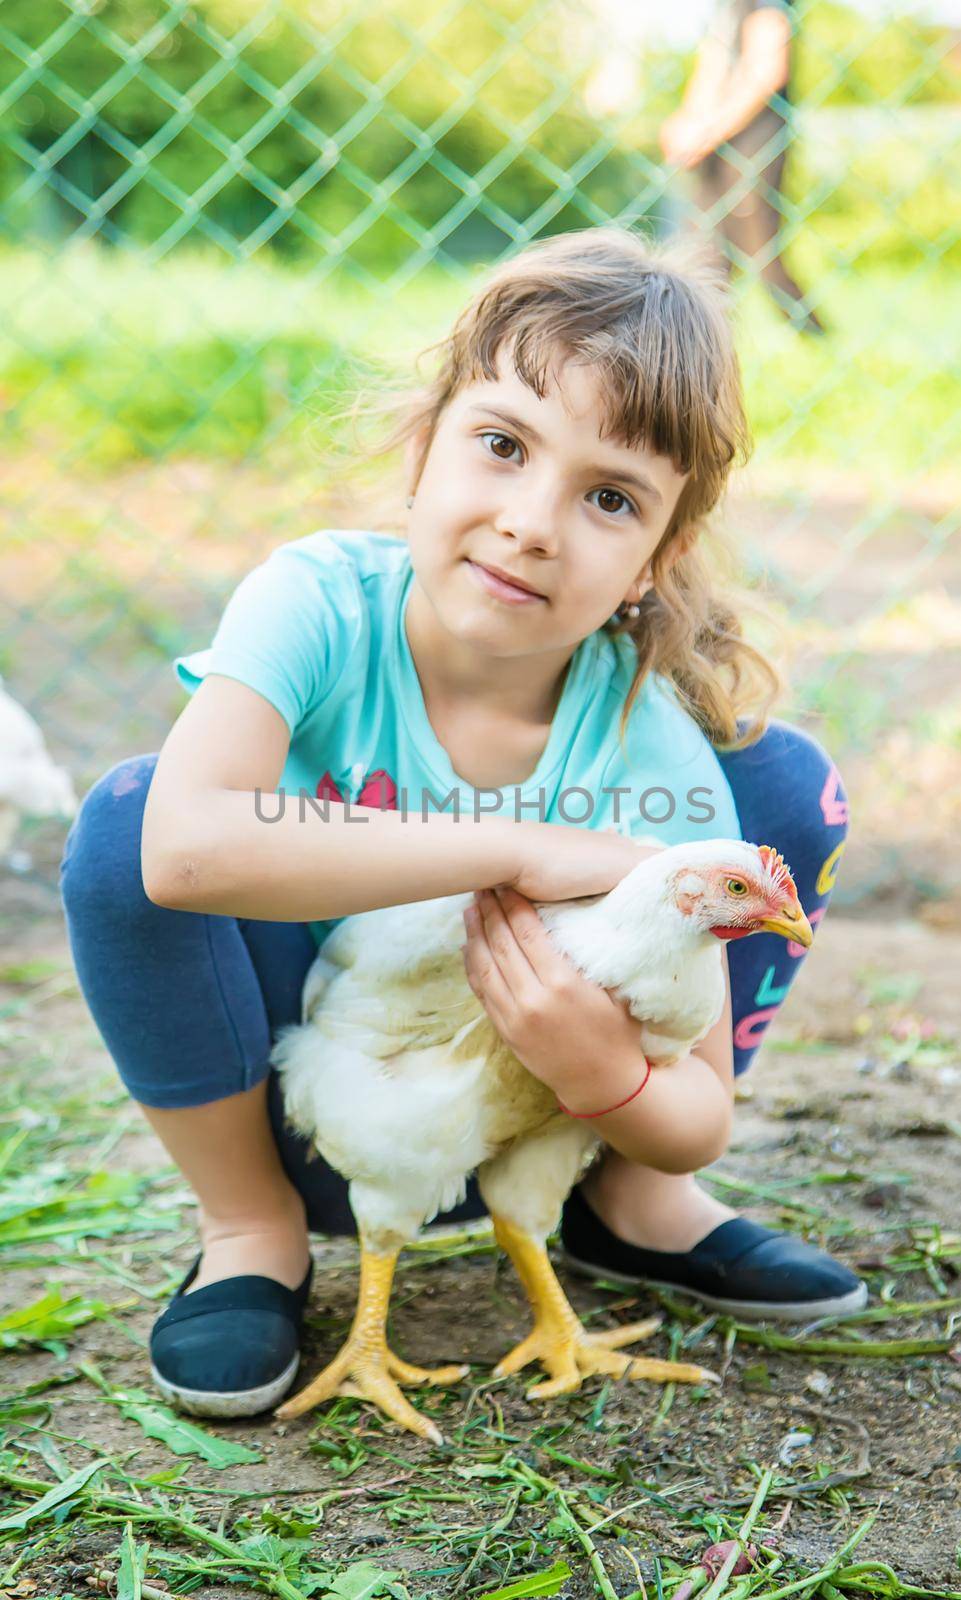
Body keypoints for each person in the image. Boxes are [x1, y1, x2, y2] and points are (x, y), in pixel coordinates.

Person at [59, 226, 861, 1420]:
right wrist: (517, 847)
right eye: (501, 445)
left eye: (607, 497)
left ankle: (625, 1208)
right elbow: (183, 846)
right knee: (129, 820)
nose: (534, 521)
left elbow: (699, 1111)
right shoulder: (319, 602)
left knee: (781, 789)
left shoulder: (642, 742)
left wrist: (605, 1076)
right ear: (421, 447)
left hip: (536, 1117)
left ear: (657, 555)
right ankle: (249, 1230)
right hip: (308, 1085)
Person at [659, 0, 825, 334]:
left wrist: (707, 129)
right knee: (702, 252)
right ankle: (702, 345)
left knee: (762, 253)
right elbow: (715, 60)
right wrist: (690, 119)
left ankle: (816, 338)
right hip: (718, 142)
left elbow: (767, 69)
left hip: (755, 142)